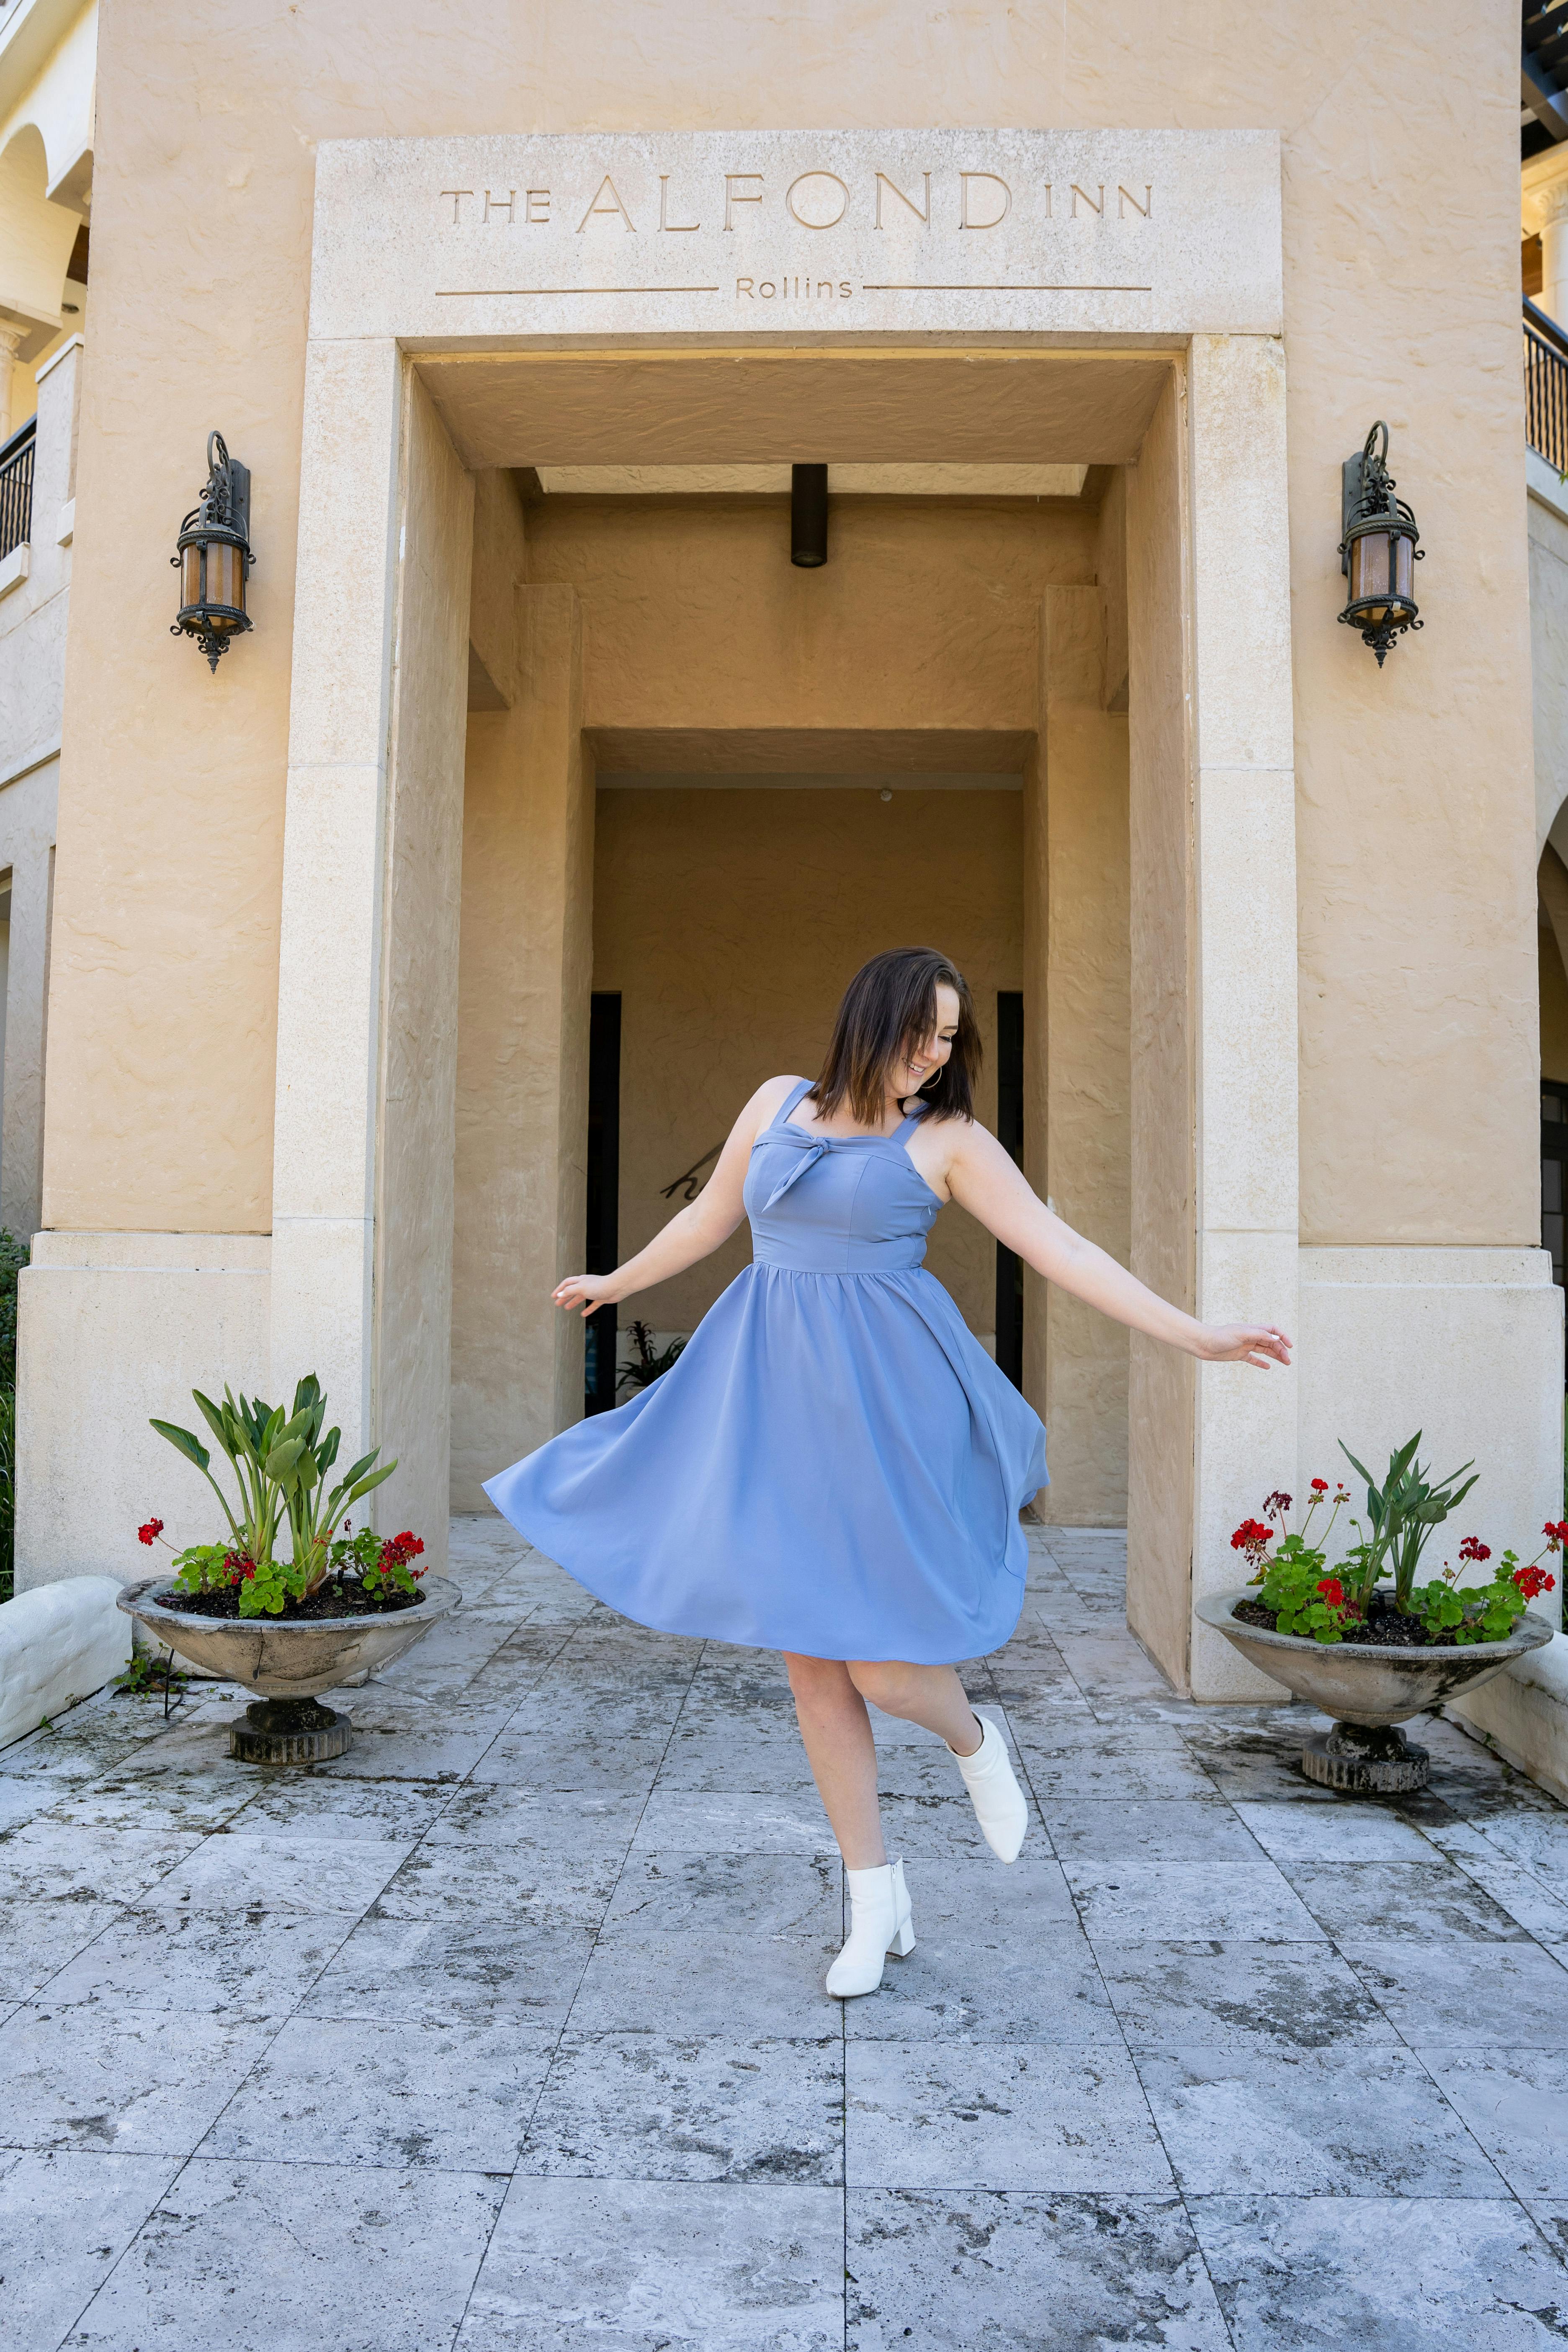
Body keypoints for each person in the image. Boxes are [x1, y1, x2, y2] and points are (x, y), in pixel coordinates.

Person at [485, 947, 1292, 1997]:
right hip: (775, 1404)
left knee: (878, 1664)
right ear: (871, 1016)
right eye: (923, 1028)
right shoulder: (777, 1103)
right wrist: (616, 1279)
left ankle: (972, 1736)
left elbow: (1061, 1248)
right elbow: (710, 1219)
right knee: (813, 1670)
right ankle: (873, 1903)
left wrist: (1195, 1335)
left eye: (951, 1037)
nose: (934, 1052)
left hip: (885, 1412)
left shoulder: (947, 1138)